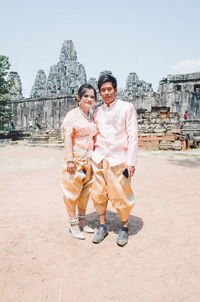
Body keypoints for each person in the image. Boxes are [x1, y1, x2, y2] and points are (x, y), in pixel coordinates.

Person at [91, 74, 138, 247]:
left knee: (122, 194)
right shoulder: (96, 112)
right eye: (103, 90)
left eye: (109, 89)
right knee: (98, 193)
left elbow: (133, 136)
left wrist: (131, 163)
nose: (106, 93)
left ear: (116, 89)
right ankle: (102, 226)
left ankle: (124, 227)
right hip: (99, 158)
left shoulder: (127, 108)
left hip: (119, 159)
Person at [60, 84, 98, 240]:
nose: (89, 99)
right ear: (79, 98)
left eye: (92, 97)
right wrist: (70, 160)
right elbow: (68, 136)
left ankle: (83, 221)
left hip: (89, 159)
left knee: (86, 191)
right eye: (86, 96)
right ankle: (73, 222)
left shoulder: (91, 116)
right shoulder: (72, 115)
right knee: (71, 191)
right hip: (74, 158)